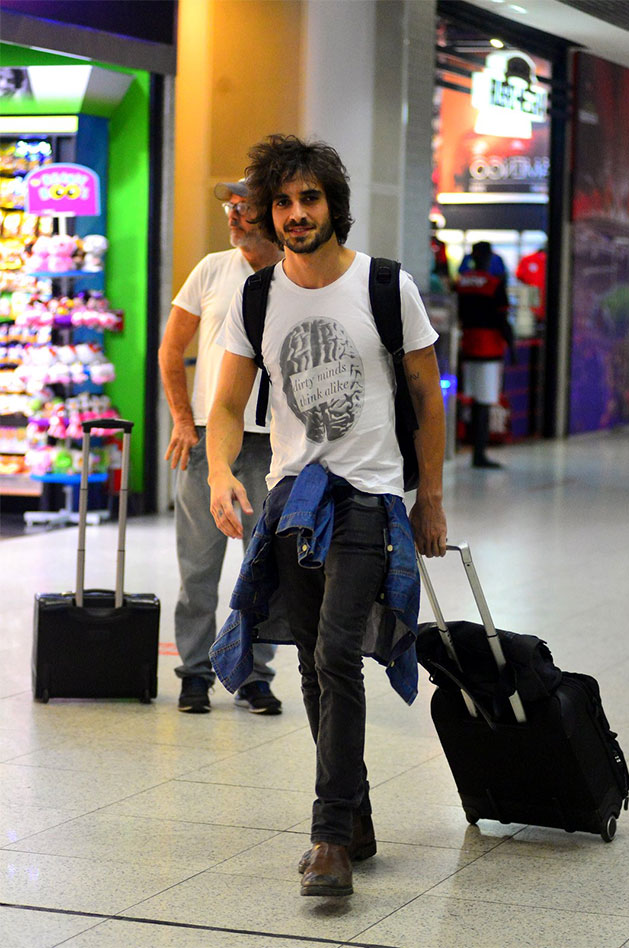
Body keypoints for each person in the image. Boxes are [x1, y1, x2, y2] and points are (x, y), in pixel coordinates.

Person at [206, 134, 447, 897]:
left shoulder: (385, 285)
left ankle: (330, 837)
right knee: (313, 663)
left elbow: (425, 395)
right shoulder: (257, 296)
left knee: (338, 653)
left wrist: (430, 498)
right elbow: (223, 402)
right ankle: (358, 818)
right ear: (268, 213)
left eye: (310, 198)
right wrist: (218, 469)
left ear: (333, 206)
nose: (297, 212)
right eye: (283, 200)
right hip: (290, 500)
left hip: (368, 499)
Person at [159, 179, 283, 715]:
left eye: (244, 207)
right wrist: (184, 419)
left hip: (275, 444)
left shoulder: (293, 274)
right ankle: (194, 672)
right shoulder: (212, 269)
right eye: (230, 207)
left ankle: (256, 674)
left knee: (265, 566)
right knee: (199, 562)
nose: (233, 216)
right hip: (211, 437)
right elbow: (170, 348)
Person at [454, 241, 515, 469]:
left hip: (467, 346)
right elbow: (503, 320)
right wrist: (513, 348)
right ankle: (479, 454)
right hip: (489, 349)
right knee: (484, 401)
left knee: (467, 399)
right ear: (488, 258)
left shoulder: (462, 284)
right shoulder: (494, 284)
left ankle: (462, 444)